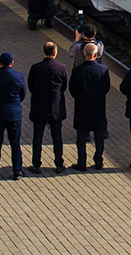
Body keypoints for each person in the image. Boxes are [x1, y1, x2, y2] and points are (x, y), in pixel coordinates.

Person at [0, 52, 26, 181]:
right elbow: (22, 94)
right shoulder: (18, 77)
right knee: (15, 143)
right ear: (12, 63)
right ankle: (17, 171)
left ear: (0, 63)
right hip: (14, 114)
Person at [27, 42, 68, 174]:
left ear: (44, 51)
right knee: (57, 137)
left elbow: (31, 86)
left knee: (37, 137)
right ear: (55, 52)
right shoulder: (61, 68)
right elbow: (64, 87)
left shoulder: (35, 68)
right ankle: (59, 164)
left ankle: (36, 164)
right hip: (55, 108)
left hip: (39, 107)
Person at [68, 42, 110, 171]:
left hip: (82, 106)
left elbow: (72, 89)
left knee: (81, 135)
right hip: (98, 106)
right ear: (96, 55)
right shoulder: (103, 70)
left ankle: (82, 162)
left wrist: (80, 97)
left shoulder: (78, 70)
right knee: (99, 135)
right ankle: (98, 161)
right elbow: (106, 88)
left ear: (84, 54)